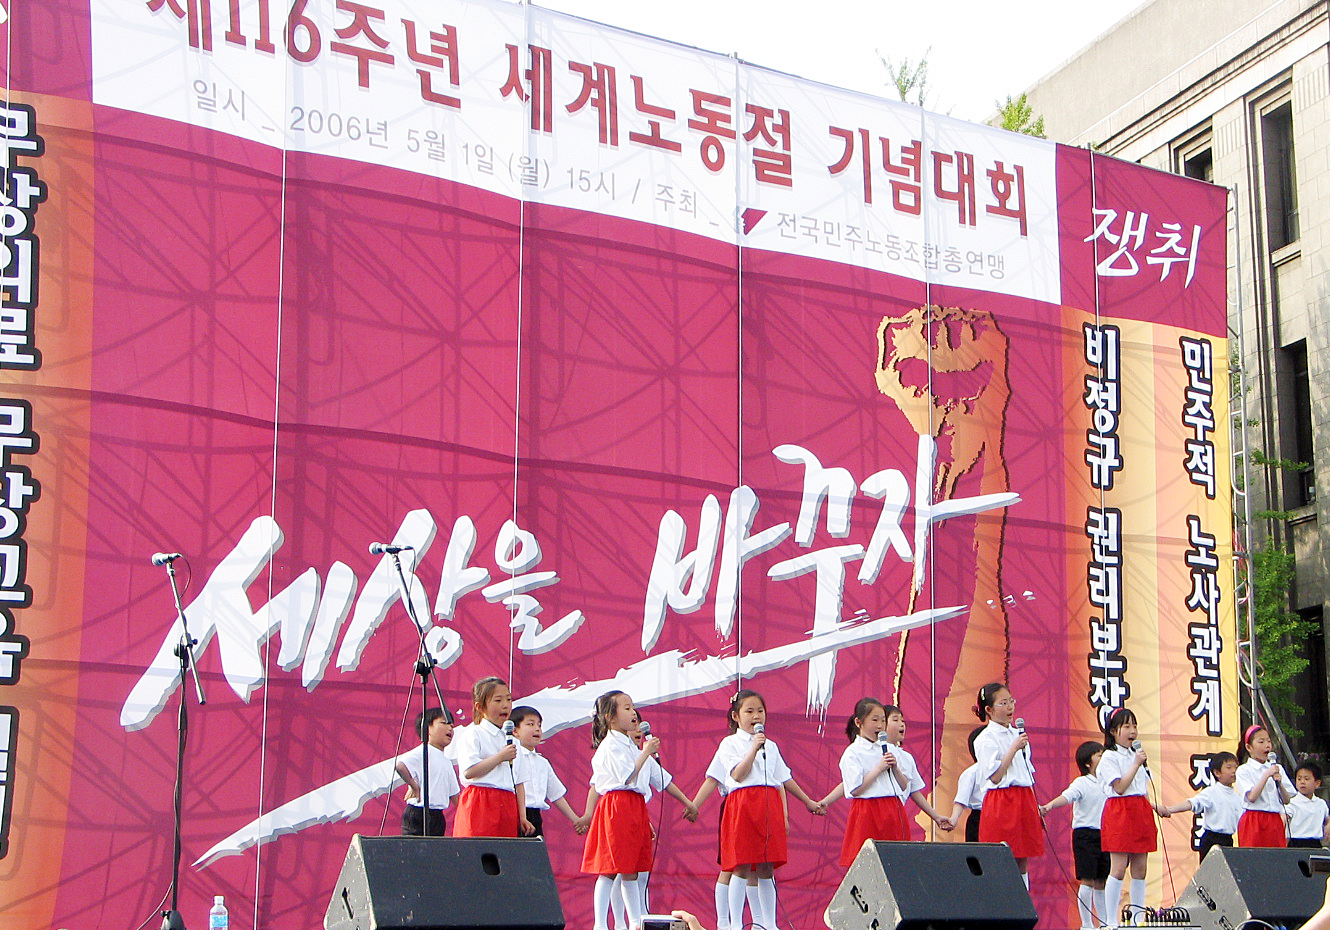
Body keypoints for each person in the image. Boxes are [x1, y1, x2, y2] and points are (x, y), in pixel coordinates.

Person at [701, 689, 824, 930]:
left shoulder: (772, 746)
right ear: (736, 716)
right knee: (741, 865)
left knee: (767, 865)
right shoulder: (729, 743)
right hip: (743, 804)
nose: (756, 716)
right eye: (749, 711)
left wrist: (808, 801)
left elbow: (784, 779)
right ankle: (735, 923)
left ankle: (769, 923)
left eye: (760, 711)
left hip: (768, 804)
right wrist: (753, 749)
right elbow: (738, 774)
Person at [825, 697, 952, 868]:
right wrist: (879, 768)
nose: (879, 726)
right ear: (858, 722)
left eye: (883, 720)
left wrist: (895, 767)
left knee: (896, 861)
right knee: (868, 862)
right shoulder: (852, 753)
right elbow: (855, 789)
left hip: (893, 807)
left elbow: (904, 785)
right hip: (867, 809)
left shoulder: (890, 749)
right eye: (874, 720)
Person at [581, 690, 666, 930]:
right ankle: (600, 923)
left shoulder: (629, 744)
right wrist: (646, 752)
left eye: (632, 707)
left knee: (632, 868)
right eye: (626, 708)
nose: (633, 712)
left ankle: (635, 920)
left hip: (634, 805)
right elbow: (626, 776)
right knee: (610, 868)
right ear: (610, 717)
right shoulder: (610, 745)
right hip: (617, 805)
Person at [1096, 708, 1169, 928]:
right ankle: (1111, 920)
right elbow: (1119, 787)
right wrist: (1136, 763)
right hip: (1120, 811)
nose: (1132, 731)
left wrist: (1154, 807)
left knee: (1140, 868)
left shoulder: (1134, 755)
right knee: (1118, 868)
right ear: (1113, 731)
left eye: (1134, 726)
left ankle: (1138, 919)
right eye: (1126, 726)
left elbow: (1141, 790)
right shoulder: (1109, 757)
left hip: (1140, 810)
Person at [973, 682, 1043, 886]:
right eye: (1003, 703)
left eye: (1011, 701)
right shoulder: (985, 739)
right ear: (989, 709)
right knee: (1000, 858)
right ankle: (1000, 901)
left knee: (1023, 858)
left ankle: (1023, 901)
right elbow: (995, 776)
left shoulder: (1016, 733)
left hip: (1024, 797)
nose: (1010, 707)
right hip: (1002, 800)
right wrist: (1013, 749)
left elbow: (1025, 770)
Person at [1038, 740, 1109, 930]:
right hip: (1085, 835)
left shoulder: (1109, 783)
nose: (1103, 758)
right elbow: (1067, 796)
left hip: (1105, 834)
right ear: (1087, 762)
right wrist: (1049, 806)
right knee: (1088, 879)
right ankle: (1087, 924)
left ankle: (1104, 922)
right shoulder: (1082, 782)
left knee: (1102, 880)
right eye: (1099, 755)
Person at [450, 676, 532, 837]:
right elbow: (469, 771)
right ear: (480, 707)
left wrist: (522, 816)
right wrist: (500, 757)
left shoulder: (513, 740)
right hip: (480, 800)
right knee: (476, 849)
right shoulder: (474, 734)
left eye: (508, 699)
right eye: (498, 700)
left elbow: (519, 782)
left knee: (503, 850)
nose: (505, 705)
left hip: (507, 802)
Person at [510, 705, 584, 838]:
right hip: (515, 814)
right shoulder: (512, 757)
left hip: (535, 816)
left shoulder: (543, 763)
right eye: (530, 724)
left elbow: (556, 794)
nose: (537, 728)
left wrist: (575, 819)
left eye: (539, 725)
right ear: (515, 731)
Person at [1159, 751, 1241, 862]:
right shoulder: (1211, 792)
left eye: (1236, 767)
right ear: (1217, 773)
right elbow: (1191, 803)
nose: (1234, 771)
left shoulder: (1238, 797)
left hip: (1228, 841)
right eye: (1229, 767)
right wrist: (1170, 810)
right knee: (1209, 871)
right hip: (1211, 840)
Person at [395, 706, 460, 837]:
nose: (450, 728)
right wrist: (413, 785)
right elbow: (400, 766)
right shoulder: (424, 751)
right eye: (444, 723)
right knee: (414, 847)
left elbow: (455, 796)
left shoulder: (447, 762)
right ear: (427, 728)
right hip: (418, 812)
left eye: (452, 726)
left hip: (437, 815)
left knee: (434, 848)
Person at [1235, 724, 1293, 847]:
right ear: (1249, 747)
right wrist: (1266, 775)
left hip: (1275, 820)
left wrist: (1280, 783)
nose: (1267, 745)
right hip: (1254, 820)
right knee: (1254, 855)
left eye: (1268, 741)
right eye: (1261, 742)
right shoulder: (1244, 770)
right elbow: (1251, 797)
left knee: (1276, 855)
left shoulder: (1277, 768)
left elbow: (1287, 800)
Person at [946, 726, 988, 843]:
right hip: (979, 819)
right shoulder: (971, 773)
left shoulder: (1005, 769)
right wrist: (954, 819)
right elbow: (961, 800)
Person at [1285, 760, 1330, 848]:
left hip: (1315, 843)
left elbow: (1327, 818)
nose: (1302, 782)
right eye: (1299, 779)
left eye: (1306, 779)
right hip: (1296, 843)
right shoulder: (1292, 803)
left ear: (1317, 783)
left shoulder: (1321, 803)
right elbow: (1284, 819)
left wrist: (1328, 825)